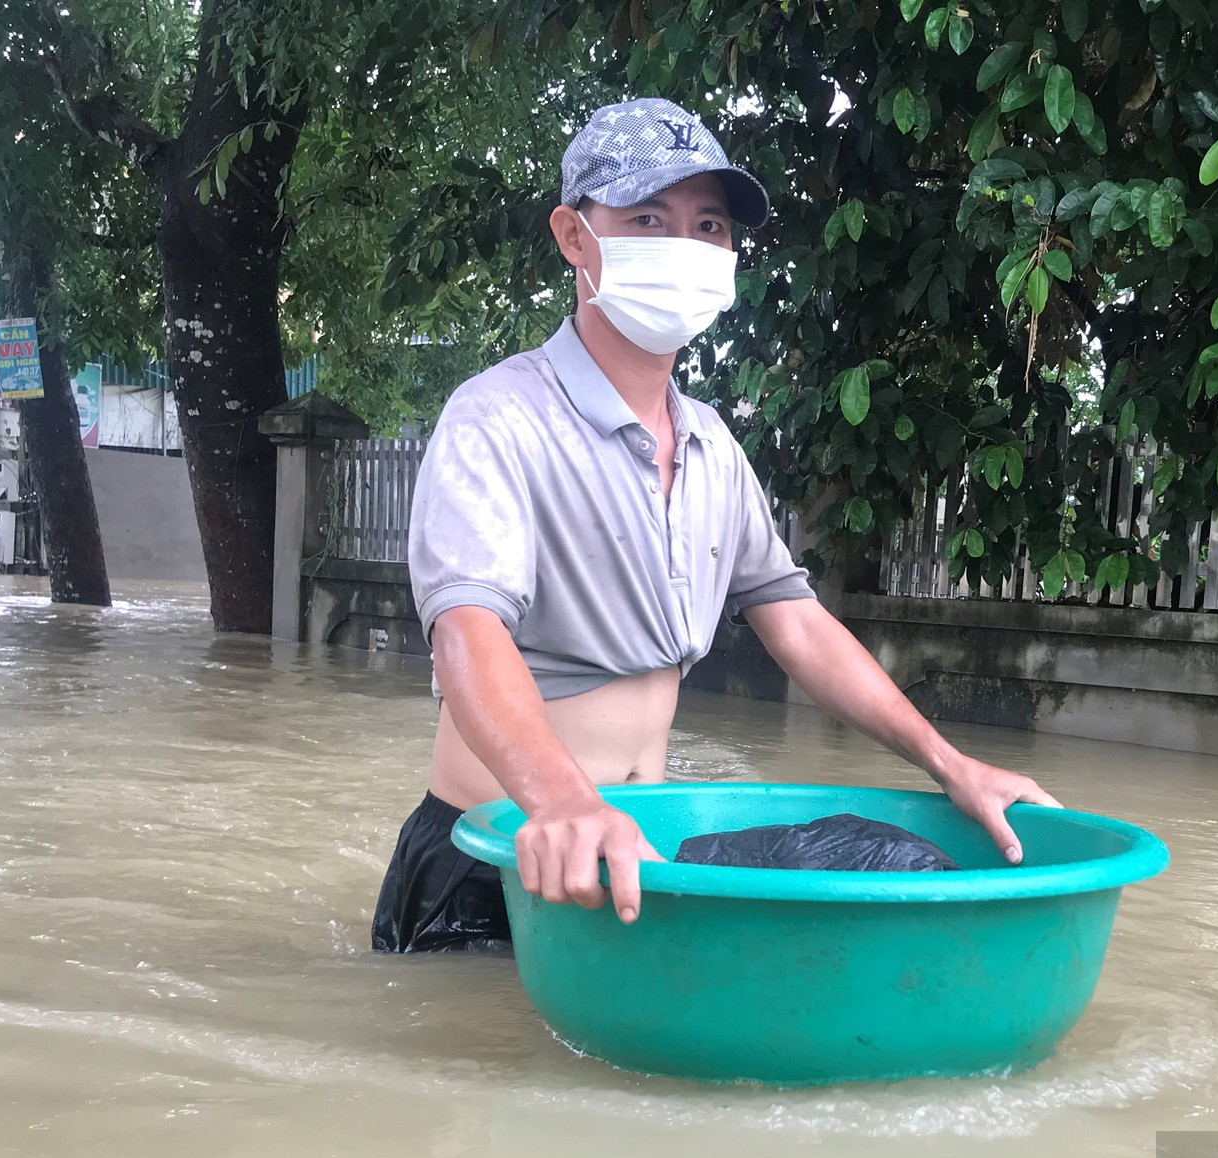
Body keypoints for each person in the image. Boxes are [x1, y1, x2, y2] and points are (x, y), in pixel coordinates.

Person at [373, 97, 1058, 952]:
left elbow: (800, 625)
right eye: (649, 218)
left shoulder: (709, 446)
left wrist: (953, 766)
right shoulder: (498, 420)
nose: (685, 246)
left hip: (635, 850)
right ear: (574, 237)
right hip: (499, 860)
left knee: (897, 865)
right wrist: (560, 801)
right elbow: (466, 634)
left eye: (708, 226)